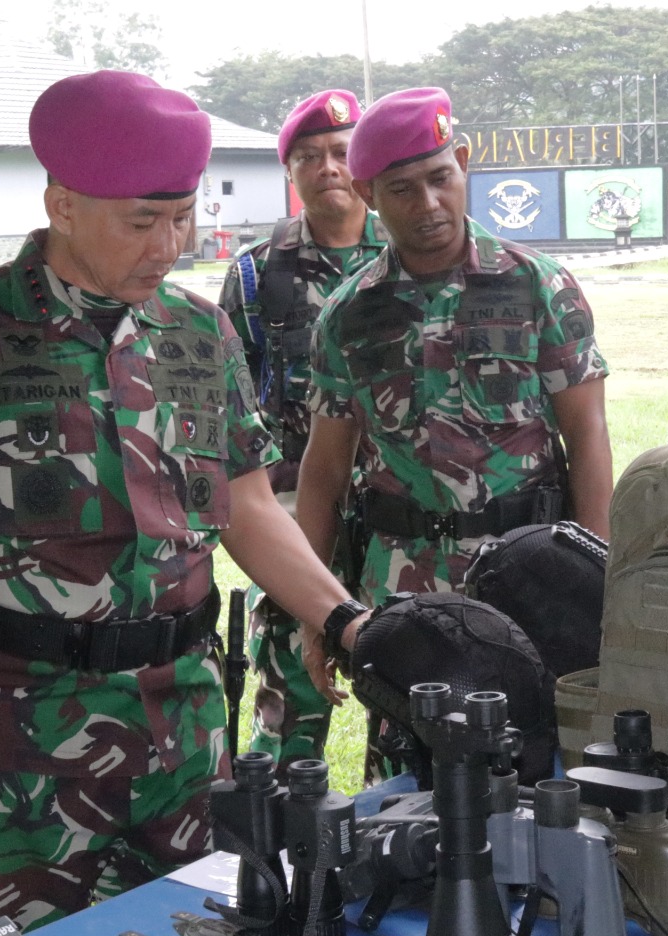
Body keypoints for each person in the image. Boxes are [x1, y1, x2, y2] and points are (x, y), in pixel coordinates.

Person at [0, 70, 370, 934]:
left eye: (183, 217)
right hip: (21, 740)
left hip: (186, 729)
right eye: (142, 221)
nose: (169, 244)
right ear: (61, 203)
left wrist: (349, 620)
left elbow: (248, 509)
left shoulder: (200, 334)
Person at [295, 86, 613, 778]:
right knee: (409, 775)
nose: (429, 205)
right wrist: (317, 610)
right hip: (400, 591)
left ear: (464, 164)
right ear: (368, 192)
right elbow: (321, 472)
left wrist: (599, 581)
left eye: (441, 178)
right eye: (403, 189)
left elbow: (588, 439)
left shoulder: (538, 287)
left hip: (527, 579)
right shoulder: (347, 316)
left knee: (540, 765)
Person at [217, 89, 388, 776]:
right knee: (289, 697)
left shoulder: (405, 257)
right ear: (291, 172)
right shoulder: (258, 275)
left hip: (395, 514)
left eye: (342, 152)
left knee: (407, 683)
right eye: (308, 156)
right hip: (292, 516)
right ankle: (281, 851)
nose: (327, 167)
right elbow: (235, 399)